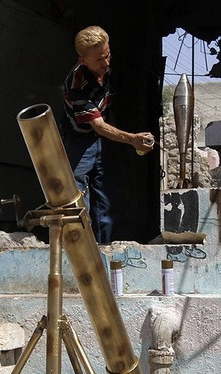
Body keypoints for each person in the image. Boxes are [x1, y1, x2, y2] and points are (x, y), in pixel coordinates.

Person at [61, 25, 154, 243]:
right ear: (83, 60)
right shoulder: (77, 84)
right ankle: (84, 251)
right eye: (99, 60)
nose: (106, 63)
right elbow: (99, 126)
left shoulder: (108, 68)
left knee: (107, 202)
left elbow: (108, 109)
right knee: (79, 201)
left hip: (103, 139)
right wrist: (131, 139)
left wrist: (118, 137)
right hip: (79, 140)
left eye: (107, 55)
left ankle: (105, 248)